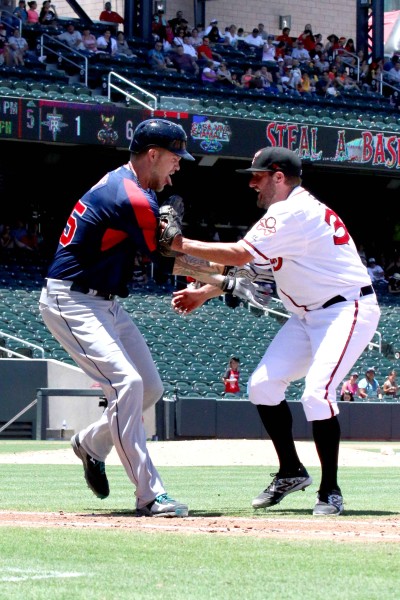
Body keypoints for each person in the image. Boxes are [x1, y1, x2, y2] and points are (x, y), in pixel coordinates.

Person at [169, 146, 380, 516]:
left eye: (258, 176)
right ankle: (290, 471)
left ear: (279, 177)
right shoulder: (287, 215)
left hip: (347, 308)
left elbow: (237, 255)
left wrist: (178, 244)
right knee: (262, 386)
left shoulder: (290, 211)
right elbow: (250, 270)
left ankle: (330, 490)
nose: (252, 183)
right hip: (306, 315)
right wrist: (203, 294)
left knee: (317, 393)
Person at [39, 118, 194, 518]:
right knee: (127, 383)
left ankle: (91, 443)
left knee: (149, 389)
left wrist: (222, 278)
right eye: (175, 158)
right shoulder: (130, 196)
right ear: (153, 154)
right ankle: (149, 494)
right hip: (71, 300)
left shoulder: (132, 185)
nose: (178, 166)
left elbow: (168, 252)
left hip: (105, 303)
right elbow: (173, 254)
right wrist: (229, 273)